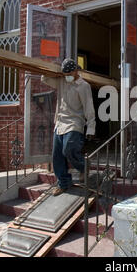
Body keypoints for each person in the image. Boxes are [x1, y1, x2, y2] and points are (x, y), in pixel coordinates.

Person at [41, 58, 96, 196]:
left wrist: (91, 127)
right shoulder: (61, 81)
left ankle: (83, 167)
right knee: (57, 157)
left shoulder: (84, 86)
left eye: (69, 73)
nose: (67, 76)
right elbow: (45, 79)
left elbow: (89, 108)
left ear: (76, 70)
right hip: (59, 123)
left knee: (69, 149)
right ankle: (63, 183)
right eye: (65, 74)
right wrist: (51, 69)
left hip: (74, 123)